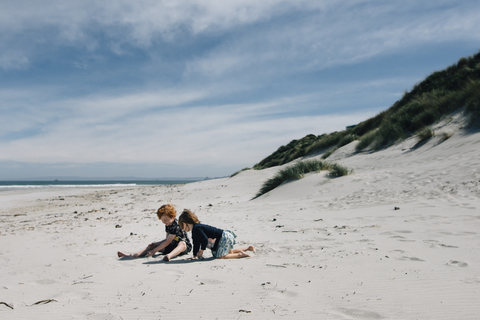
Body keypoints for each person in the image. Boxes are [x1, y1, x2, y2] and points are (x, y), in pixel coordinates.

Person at [117, 204, 192, 261]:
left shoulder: (176, 225)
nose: (164, 222)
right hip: (172, 245)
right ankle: (133, 255)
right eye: (162, 221)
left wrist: (153, 251)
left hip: (182, 248)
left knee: (182, 244)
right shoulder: (168, 224)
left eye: (165, 220)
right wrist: (155, 245)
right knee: (151, 246)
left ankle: (169, 256)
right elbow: (166, 240)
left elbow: (167, 242)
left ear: (172, 216)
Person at [178, 209, 255, 259]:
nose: (183, 229)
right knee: (229, 252)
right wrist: (194, 255)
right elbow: (196, 243)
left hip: (223, 238)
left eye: (182, 227)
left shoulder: (196, 228)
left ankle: (240, 255)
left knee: (220, 256)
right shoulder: (195, 230)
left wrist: (201, 251)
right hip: (224, 237)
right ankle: (248, 248)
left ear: (185, 224)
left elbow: (204, 239)